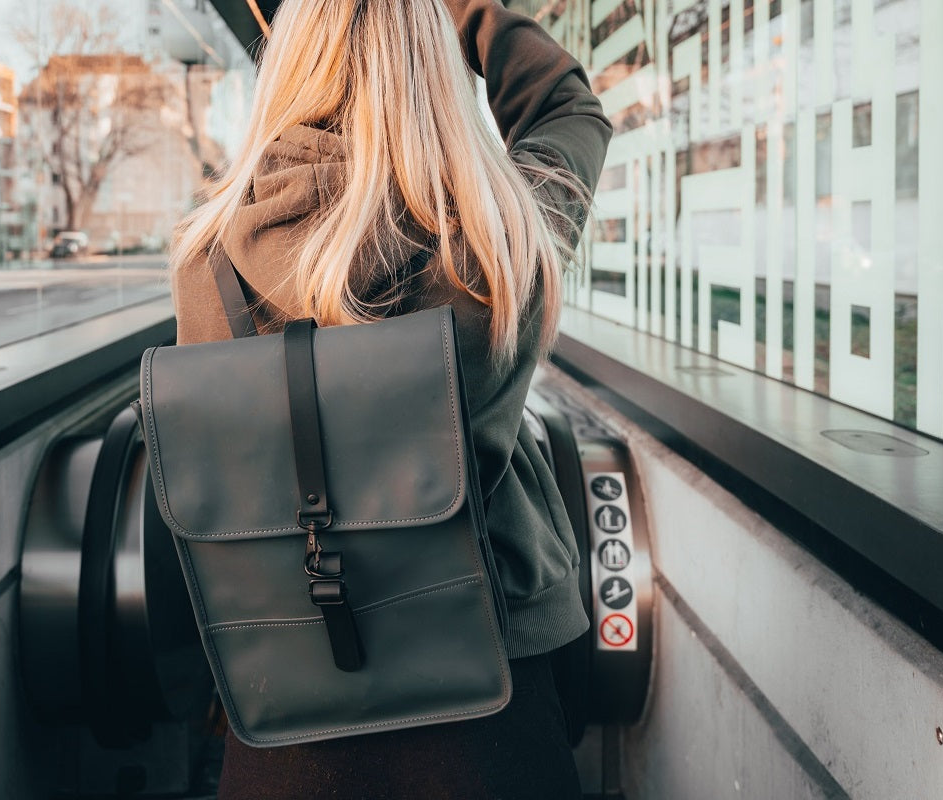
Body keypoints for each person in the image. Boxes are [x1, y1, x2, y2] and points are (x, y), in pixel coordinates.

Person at [169, 0, 611, 795]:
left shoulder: (207, 262)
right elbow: (566, 104)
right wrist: (469, 11)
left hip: (284, 720)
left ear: (291, 63)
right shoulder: (500, 239)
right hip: (488, 713)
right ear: (434, 67)